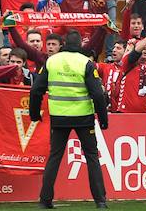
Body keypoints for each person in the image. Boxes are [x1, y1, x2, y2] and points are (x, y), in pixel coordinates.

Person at [29, 29, 109, 209]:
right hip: (83, 117)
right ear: (80, 44)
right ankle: (100, 201)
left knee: (55, 157)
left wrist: (34, 114)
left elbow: (35, 91)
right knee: (91, 157)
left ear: (63, 44)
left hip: (59, 117)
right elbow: (97, 94)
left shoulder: (51, 61)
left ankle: (45, 200)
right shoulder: (86, 63)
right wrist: (103, 120)